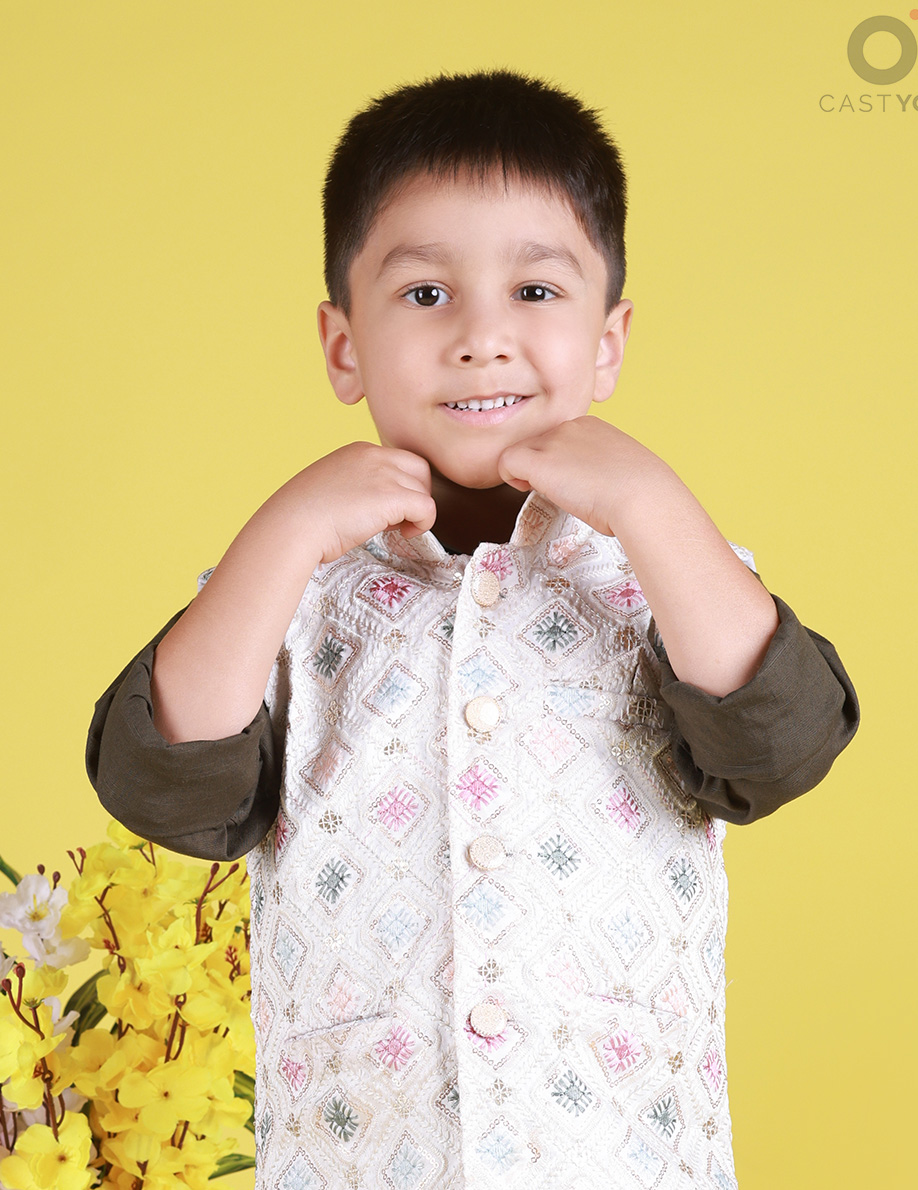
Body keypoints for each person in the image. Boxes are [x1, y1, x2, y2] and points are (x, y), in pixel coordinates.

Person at [87, 70, 858, 1189]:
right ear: (343, 346)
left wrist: (652, 504)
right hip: (363, 1157)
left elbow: (778, 744)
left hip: (619, 1157)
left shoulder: (660, 569)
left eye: (536, 290)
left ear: (608, 341)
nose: (483, 337)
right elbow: (169, 782)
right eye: (425, 294)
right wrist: (284, 530)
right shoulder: (295, 585)